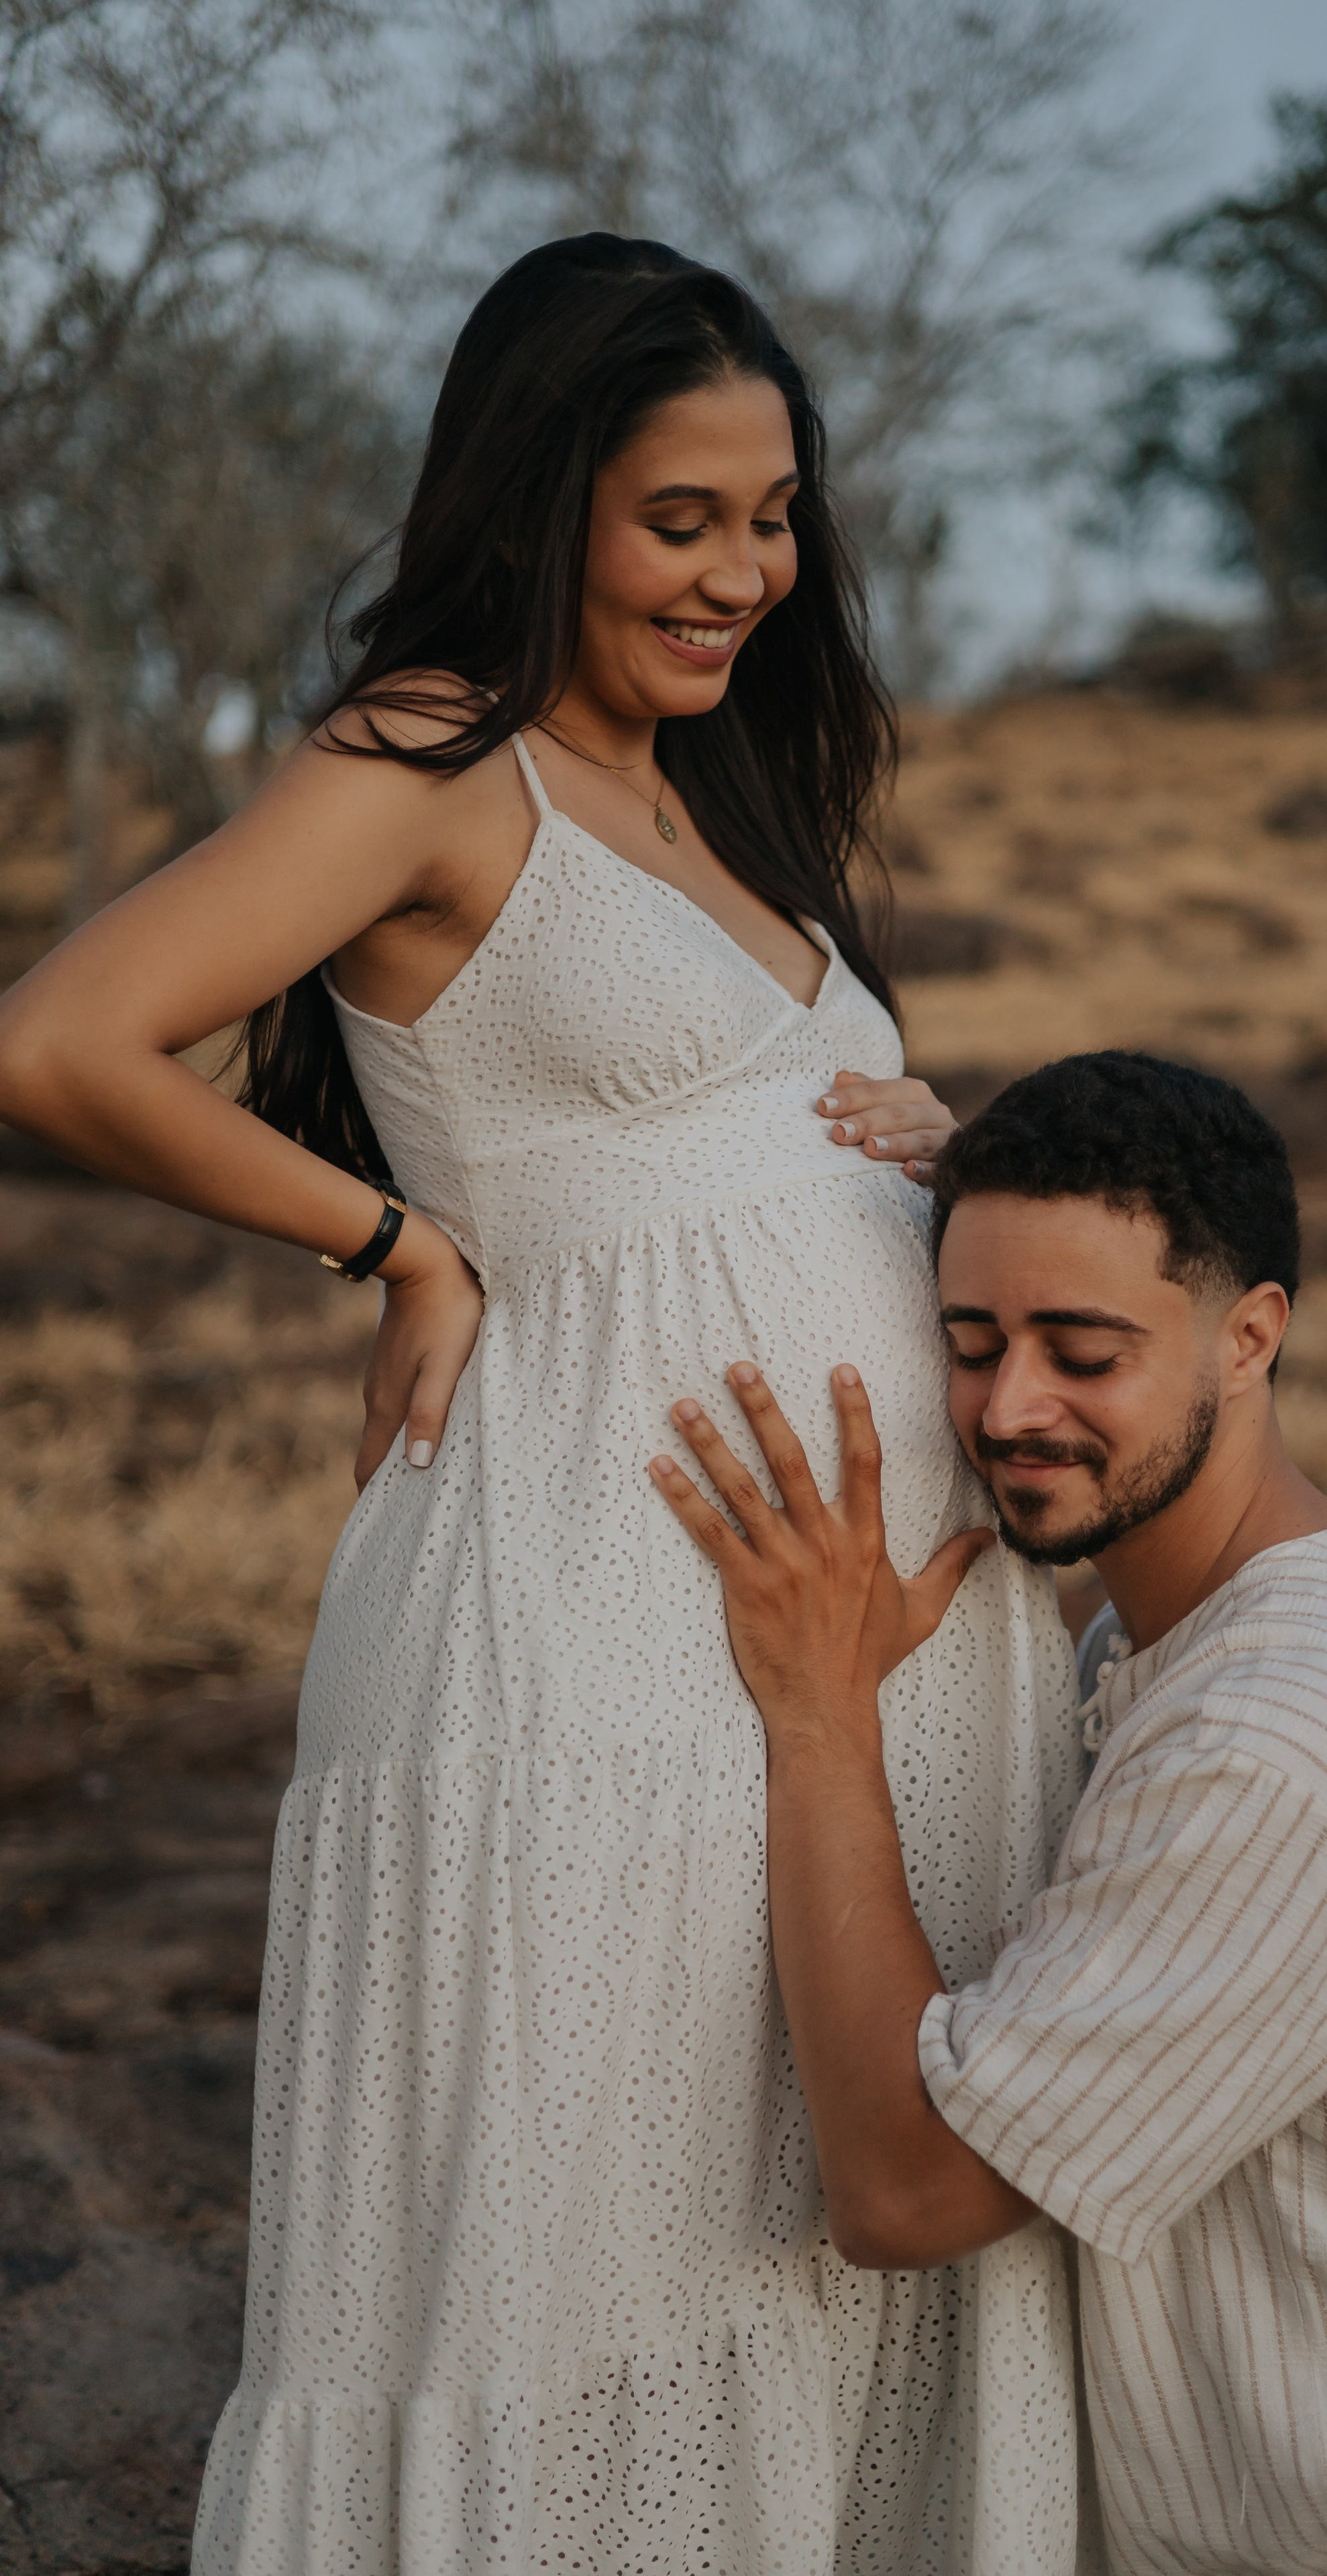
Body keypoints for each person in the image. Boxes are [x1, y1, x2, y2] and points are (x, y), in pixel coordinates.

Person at [0, 239, 1086, 2573]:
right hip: (613, 1628)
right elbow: (61, 1043)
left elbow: (714, 1136)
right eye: (679, 519)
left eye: (771, 519)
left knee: (840, 2230)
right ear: (541, 497)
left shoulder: (716, 792)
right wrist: (394, 1244)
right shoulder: (428, 758)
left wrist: (925, 1147)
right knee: (625, 2221)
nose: (742, 575)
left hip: (885, 1651)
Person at [651, 1049, 1327, 2575]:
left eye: (1082, 1352)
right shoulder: (1240, 1618)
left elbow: (904, 2192)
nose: (1009, 1407)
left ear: (1251, 1337)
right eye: (971, 1341)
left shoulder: (1274, 1745)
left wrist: (820, 1717)